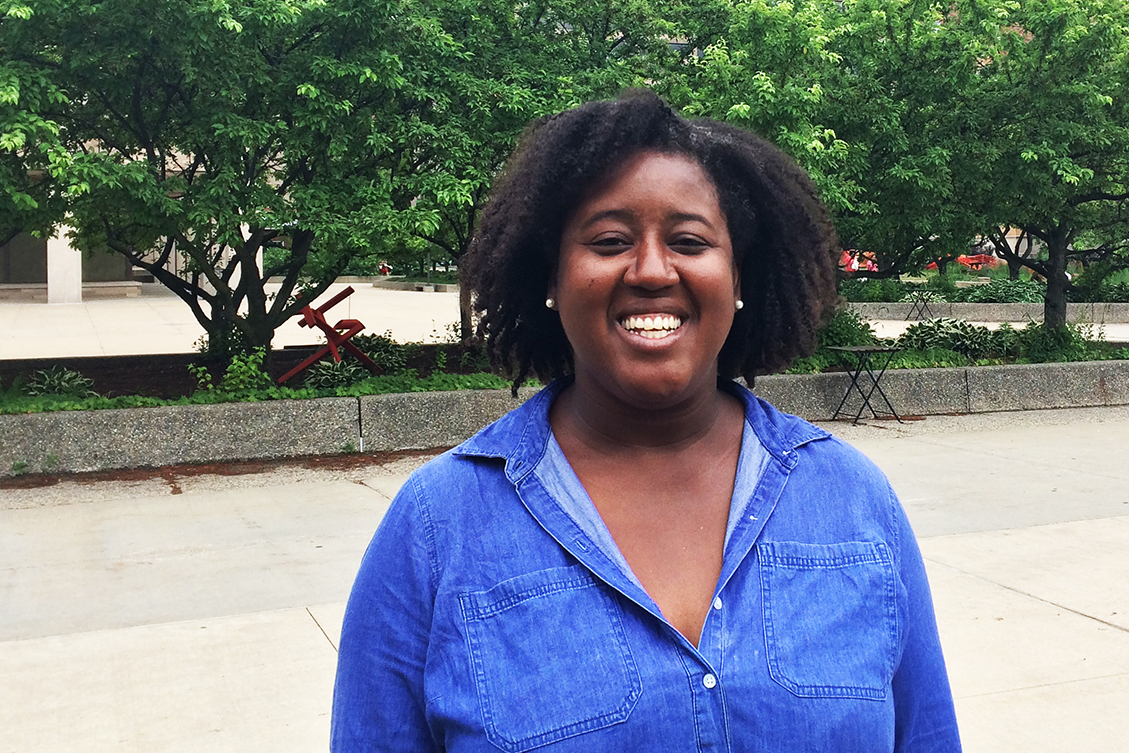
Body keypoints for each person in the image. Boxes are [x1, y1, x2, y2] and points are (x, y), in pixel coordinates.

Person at [331, 90, 961, 752]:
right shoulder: (436, 527)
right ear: (551, 277)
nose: (653, 269)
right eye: (609, 241)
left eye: (688, 240)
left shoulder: (854, 500)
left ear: (738, 276)